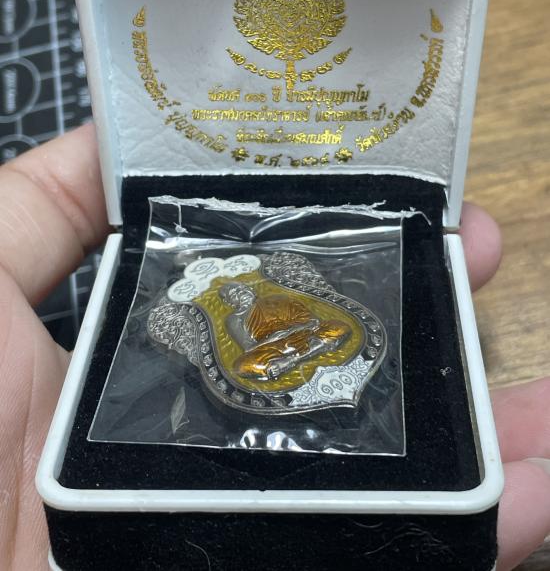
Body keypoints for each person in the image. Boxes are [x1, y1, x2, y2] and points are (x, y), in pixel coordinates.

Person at [0, 123, 548, 570]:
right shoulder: (228, 312)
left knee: (324, 333)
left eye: (242, 291)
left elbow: (311, 319)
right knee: (260, 358)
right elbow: (246, 347)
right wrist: (266, 338)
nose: (241, 296)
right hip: (274, 356)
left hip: (307, 337)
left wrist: (294, 330)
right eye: (236, 294)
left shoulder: (277, 290)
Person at [219, 281, 351, 379]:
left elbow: (313, 321)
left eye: (243, 288)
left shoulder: (278, 299)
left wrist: (291, 330)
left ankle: (290, 361)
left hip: (303, 335)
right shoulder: (234, 319)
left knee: (338, 326)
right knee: (242, 366)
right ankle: (312, 350)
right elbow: (248, 348)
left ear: (252, 290)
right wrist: (273, 338)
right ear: (229, 302)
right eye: (234, 293)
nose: (241, 292)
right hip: (273, 348)